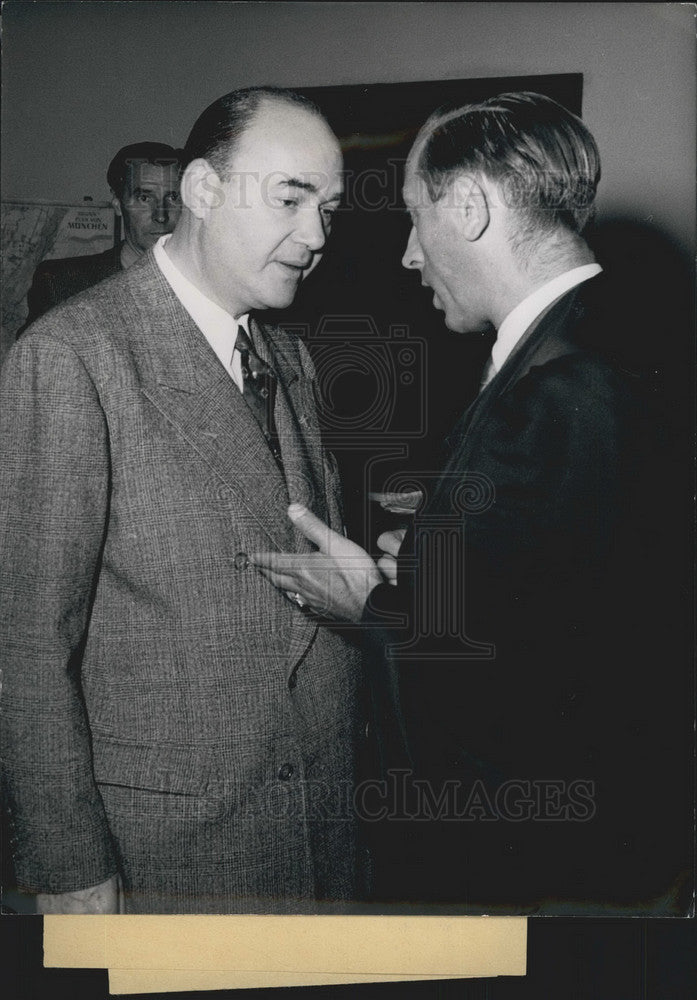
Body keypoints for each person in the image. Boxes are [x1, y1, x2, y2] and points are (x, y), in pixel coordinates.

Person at [252, 93, 688, 911]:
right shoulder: (610, 339)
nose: (410, 256)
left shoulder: (566, 386)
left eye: (416, 221)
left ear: (469, 206)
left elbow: (522, 675)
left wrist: (370, 603)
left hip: (546, 862)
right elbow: (567, 591)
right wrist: (434, 563)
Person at [0, 87, 364, 914]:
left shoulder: (289, 354)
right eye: (290, 199)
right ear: (200, 190)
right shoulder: (70, 357)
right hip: (174, 847)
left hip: (323, 823)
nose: (315, 238)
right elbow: (23, 642)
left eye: (330, 210)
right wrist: (68, 867)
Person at [19, 142, 185, 332]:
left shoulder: (208, 287)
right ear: (117, 202)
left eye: (173, 197)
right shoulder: (62, 285)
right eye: (144, 198)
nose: (161, 215)